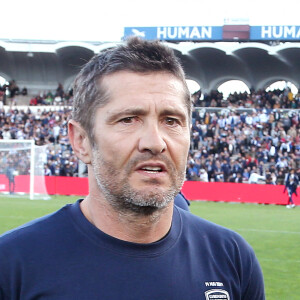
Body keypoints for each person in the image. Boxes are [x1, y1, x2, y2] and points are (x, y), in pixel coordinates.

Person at [0, 37, 265, 299]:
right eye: (129, 119)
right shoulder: (12, 265)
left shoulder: (232, 257)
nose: (155, 142)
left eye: (171, 121)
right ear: (81, 141)